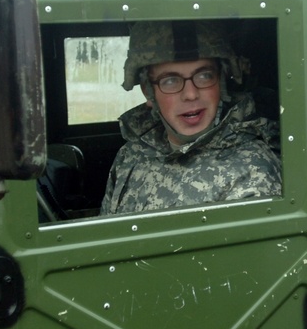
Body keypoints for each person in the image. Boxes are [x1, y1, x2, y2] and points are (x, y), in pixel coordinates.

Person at [100, 20, 282, 215]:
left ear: (220, 83)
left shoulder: (252, 170)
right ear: (148, 92)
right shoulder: (132, 155)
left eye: (204, 76)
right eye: (170, 80)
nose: (191, 94)